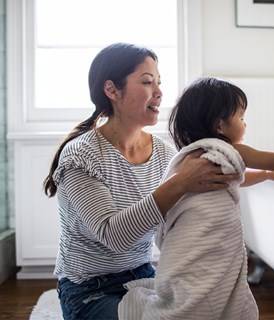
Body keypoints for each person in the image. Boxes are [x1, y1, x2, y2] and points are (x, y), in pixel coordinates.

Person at [43, 44, 239, 320]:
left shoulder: (163, 153)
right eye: (147, 82)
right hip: (89, 289)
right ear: (112, 90)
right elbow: (114, 236)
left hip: (144, 274)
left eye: (159, 83)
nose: (159, 92)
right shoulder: (81, 155)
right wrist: (180, 183)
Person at [117, 77, 274, 320]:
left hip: (189, 251)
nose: (245, 124)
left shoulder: (196, 158)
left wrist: (265, 175)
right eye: (241, 117)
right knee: (206, 291)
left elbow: (236, 178)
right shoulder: (227, 150)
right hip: (205, 248)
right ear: (220, 126)